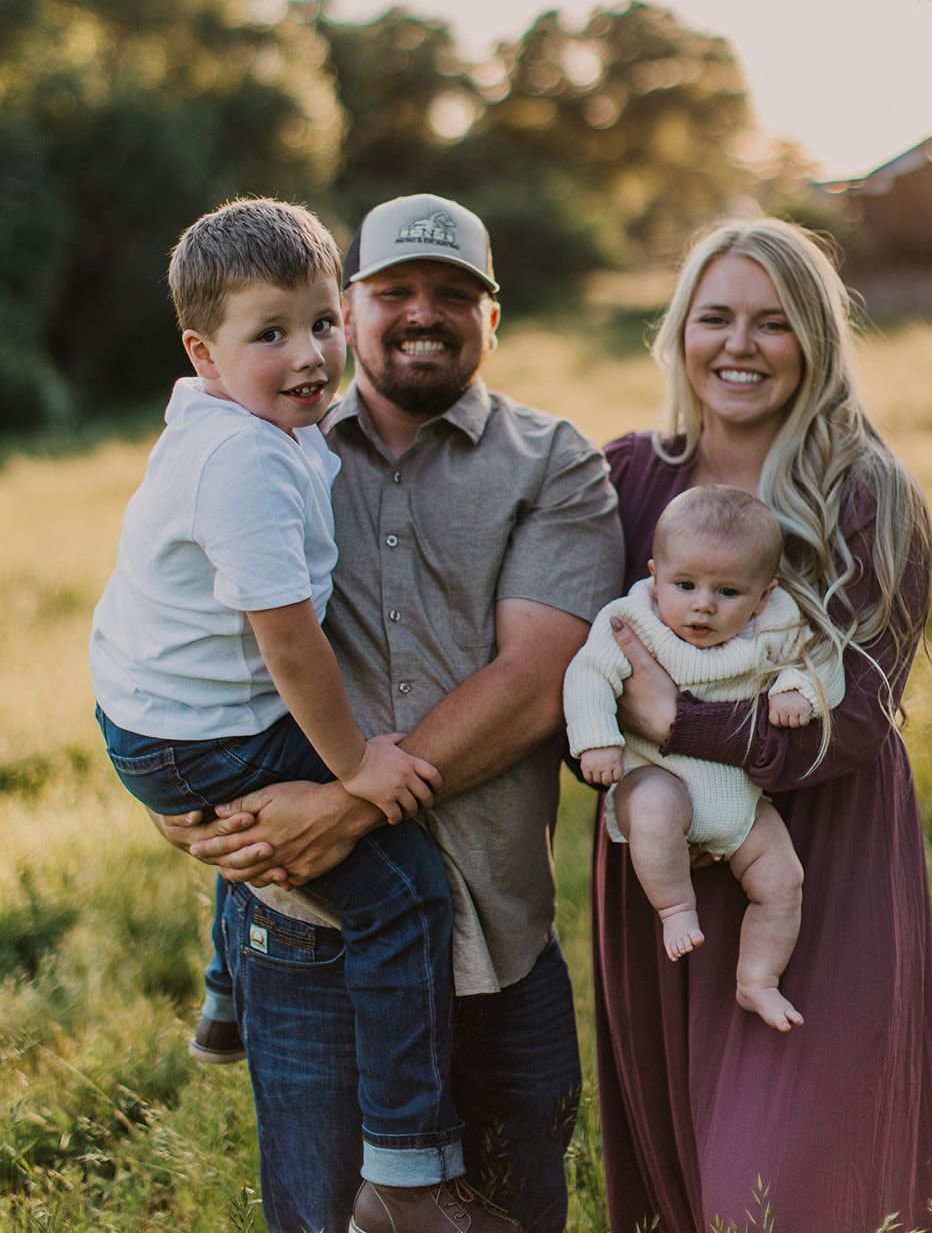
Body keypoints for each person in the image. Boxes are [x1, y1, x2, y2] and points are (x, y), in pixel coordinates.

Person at [154, 192, 625, 1233]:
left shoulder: (553, 463)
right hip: (310, 935)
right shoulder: (260, 445)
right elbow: (169, 619)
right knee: (325, 1220)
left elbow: (535, 676)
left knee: (513, 1217)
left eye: (454, 294)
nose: (424, 311)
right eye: (394, 291)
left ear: (491, 317)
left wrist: (348, 805)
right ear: (351, 306)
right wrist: (168, 797)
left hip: (499, 937)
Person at [90, 197, 503, 1224]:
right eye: (268, 333)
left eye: (321, 321)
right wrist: (360, 767)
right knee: (403, 893)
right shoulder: (241, 462)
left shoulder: (244, 424)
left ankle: (229, 987)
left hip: (160, 709)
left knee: (282, 820)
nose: (310, 352)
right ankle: (407, 1169)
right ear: (204, 351)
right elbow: (288, 644)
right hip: (198, 727)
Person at [594, 217, 932, 1232]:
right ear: (678, 332)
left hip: (821, 864)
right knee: (689, 1187)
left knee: (784, 1196)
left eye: (772, 321)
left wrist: (680, 716)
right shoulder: (621, 477)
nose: (737, 345)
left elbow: (856, 723)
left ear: (815, 340)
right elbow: (558, 668)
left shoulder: (864, 494)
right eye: (714, 317)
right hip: (661, 866)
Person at [564, 485, 844, 1029]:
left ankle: (757, 979)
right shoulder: (631, 620)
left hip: (738, 799)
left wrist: (798, 690)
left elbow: (822, 657)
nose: (703, 605)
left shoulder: (776, 623)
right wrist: (596, 738)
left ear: (764, 595)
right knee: (657, 809)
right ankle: (676, 909)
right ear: (654, 573)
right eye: (685, 585)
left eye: (729, 592)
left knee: (783, 880)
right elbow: (589, 674)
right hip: (656, 778)